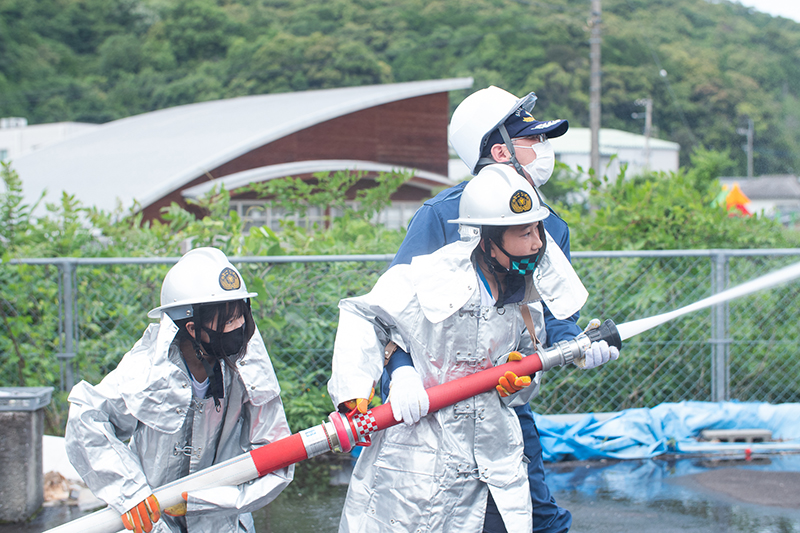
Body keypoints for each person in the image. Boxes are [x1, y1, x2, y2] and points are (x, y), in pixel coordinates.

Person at [328, 164, 618, 532]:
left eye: (538, 231)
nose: (537, 244)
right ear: (488, 239)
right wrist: (389, 379)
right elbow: (363, 315)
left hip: (494, 453)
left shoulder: (523, 292)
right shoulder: (433, 274)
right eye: (524, 233)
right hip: (422, 445)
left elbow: (529, 366)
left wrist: (521, 383)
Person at [383, 86, 601, 532]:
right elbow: (391, 311)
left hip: (504, 399)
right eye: (533, 140)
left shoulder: (549, 224)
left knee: (533, 515)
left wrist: (577, 345)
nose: (544, 150)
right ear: (501, 151)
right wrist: (400, 372)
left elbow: (553, 315)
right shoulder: (442, 216)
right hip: (433, 406)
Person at [65, 247, 293, 533]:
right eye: (228, 320)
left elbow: (277, 453)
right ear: (192, 327)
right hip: (153, 523)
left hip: (222, 524)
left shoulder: (246, 367)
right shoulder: (148, 371)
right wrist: (129, 493)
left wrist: (208, 501)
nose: (240, 327)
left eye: (240, 315)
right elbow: (86, 416)